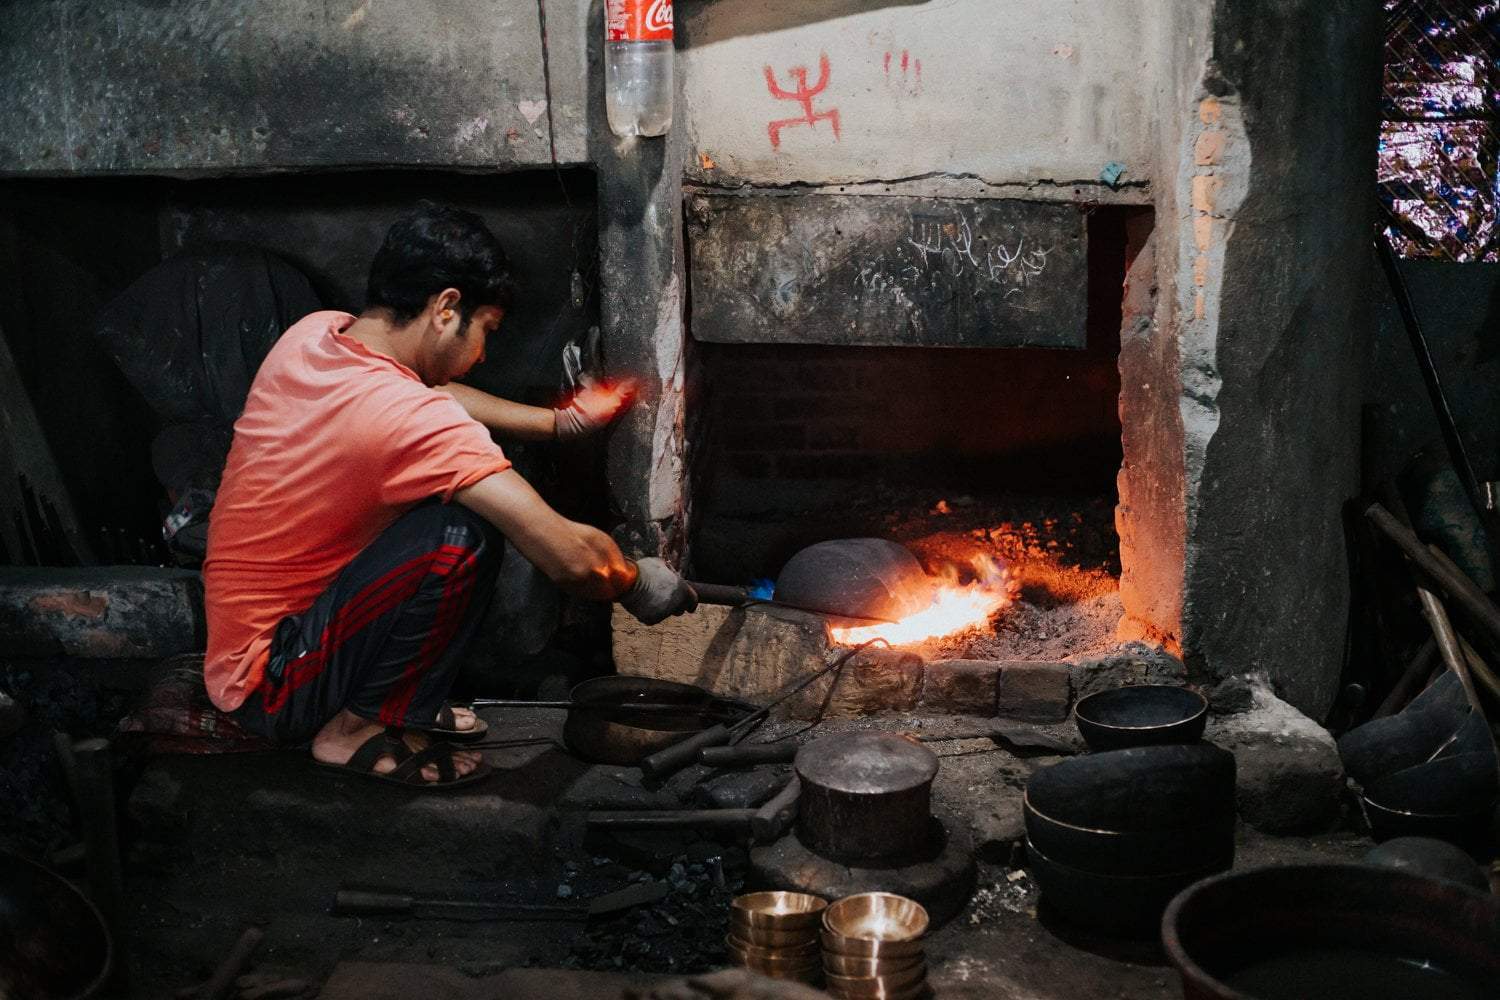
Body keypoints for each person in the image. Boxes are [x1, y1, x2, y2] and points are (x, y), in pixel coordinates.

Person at [201, 203, 697, 788]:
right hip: (273, 686)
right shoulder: (409, 421)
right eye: (486, 329)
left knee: (441, 519)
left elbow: (431, 396)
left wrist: (559, 424)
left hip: (256, 648)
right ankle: (354, 731)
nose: (485, 353)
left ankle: (378, 703)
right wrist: (635, 582)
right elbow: (569, 559)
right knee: (460, 537)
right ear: (445, 308)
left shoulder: (316, 336)